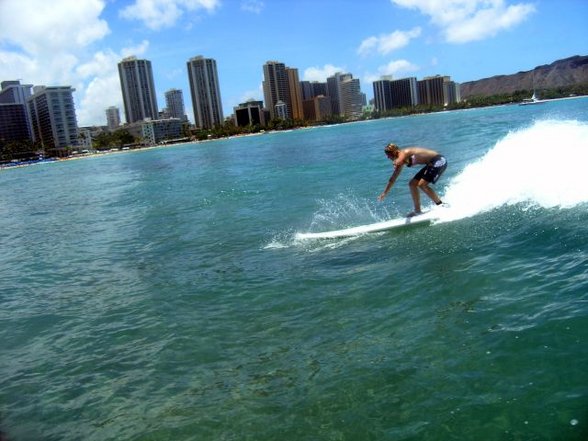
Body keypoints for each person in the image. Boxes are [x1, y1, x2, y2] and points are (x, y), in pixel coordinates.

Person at [378, 143, 447, 217]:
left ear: (394, 152)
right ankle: (417, 211)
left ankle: (441, 205)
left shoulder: (404, 152)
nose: (388, 157)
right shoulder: (400, 162)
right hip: (430, 164)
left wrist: (395, 163)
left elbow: (400, 159)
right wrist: (385, 193)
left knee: (422, 185)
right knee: (412, 184)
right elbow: (393, 179)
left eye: (388, 155)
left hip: (439, 161)